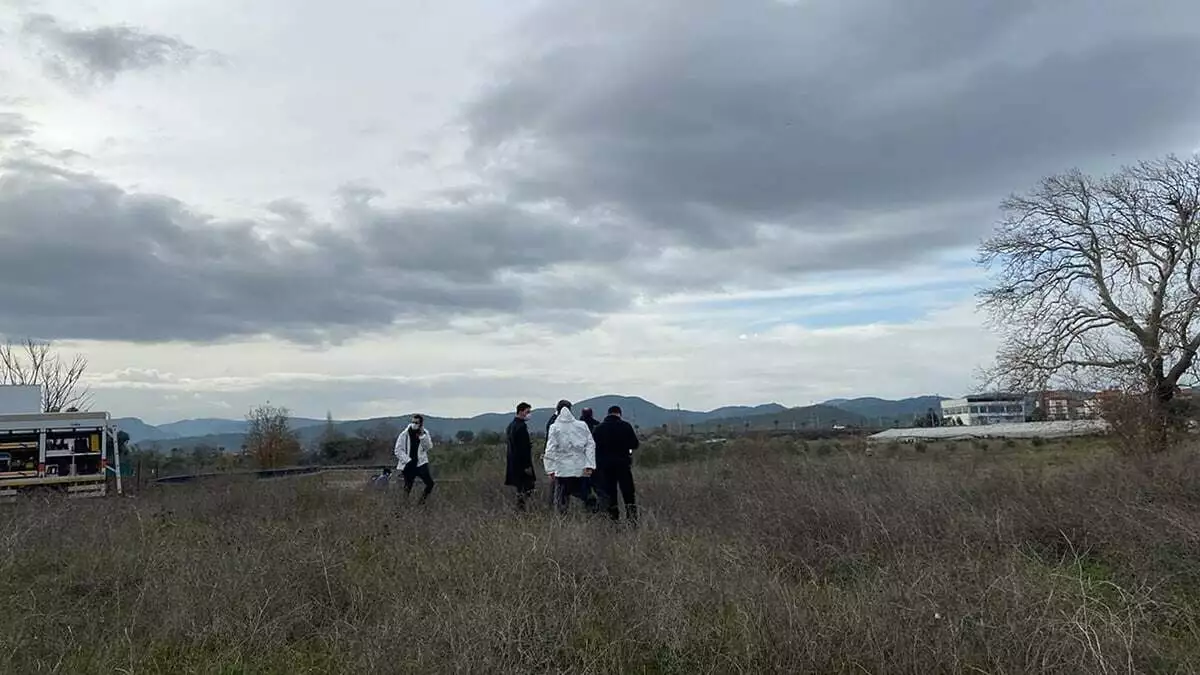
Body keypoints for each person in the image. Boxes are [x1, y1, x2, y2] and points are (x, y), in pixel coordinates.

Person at [543, 400, 596, 514]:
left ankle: (562, 519)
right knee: (584, 494)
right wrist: (589, 465)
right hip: (579, 467)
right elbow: (590, 445)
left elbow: (550, 449)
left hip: (562, 469)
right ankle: (590, 515)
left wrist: (550, 469)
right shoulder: (582, 425)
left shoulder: (554, 427)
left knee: (561, 496)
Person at [591, 405, 640, 524]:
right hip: (623, 464)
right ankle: (632, 520)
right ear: (619, 414)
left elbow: (592, 447)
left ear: (607, 414)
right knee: (628, 493)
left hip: (605, 466)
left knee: (610, 493)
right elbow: (635, 444)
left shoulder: (599, 428)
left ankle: (614, 521)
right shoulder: (626, 426)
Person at [394, 413, 435, 504]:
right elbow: (397, 450)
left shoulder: (425, 433)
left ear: (421, 424)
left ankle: (421, 502)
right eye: (413, 422)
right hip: (409, 465)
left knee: (430, 484)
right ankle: (402, 508)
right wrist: (407, 460)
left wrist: (422, 436)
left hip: (421, 463)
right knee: (407, 488)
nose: (414, 424)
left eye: (416, 422)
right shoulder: (404, 435)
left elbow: (428, 447)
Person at [505, 401, 537, 510]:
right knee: (528, 488)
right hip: (522, 464)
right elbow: (523, 449)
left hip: (514, 463)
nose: (529, 414)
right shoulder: (521, 427)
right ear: (521, 412)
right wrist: (527, 466)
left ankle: (520, 509)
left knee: (520, 488)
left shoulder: (511, 426)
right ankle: (521, 509)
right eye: (527, 411)